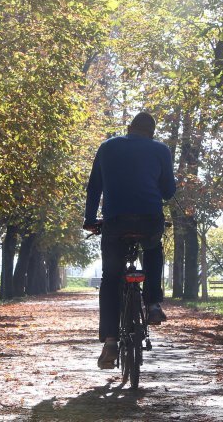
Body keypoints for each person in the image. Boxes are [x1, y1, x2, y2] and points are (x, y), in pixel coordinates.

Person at [83, 111, 177, 369]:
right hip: (149, 219)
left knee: (111, 278)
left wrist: (90, 218)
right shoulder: (161, 150)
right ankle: (154, 303)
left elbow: (94, 187)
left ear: (129, 128)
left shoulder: (107, 147)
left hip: (115, 222)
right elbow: (169, 192)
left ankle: (111, 340)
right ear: (151, 132)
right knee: (153, 248)